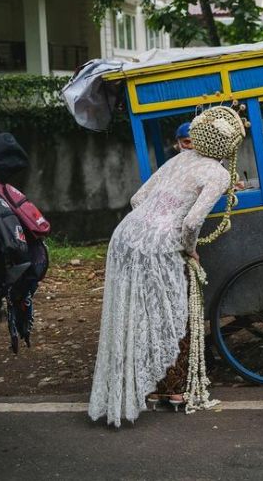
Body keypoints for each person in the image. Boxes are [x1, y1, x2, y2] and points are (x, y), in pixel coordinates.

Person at [88, 106, 245, 427]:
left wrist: (154, 220)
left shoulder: (180, 159)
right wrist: (190, 250)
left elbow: (136, 199)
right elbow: (192, 221)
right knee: (178, 315)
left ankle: (143, 388)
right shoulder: (218, 173)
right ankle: (175, 391)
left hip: (126, 237)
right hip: (161, 245)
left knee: (137, 314)